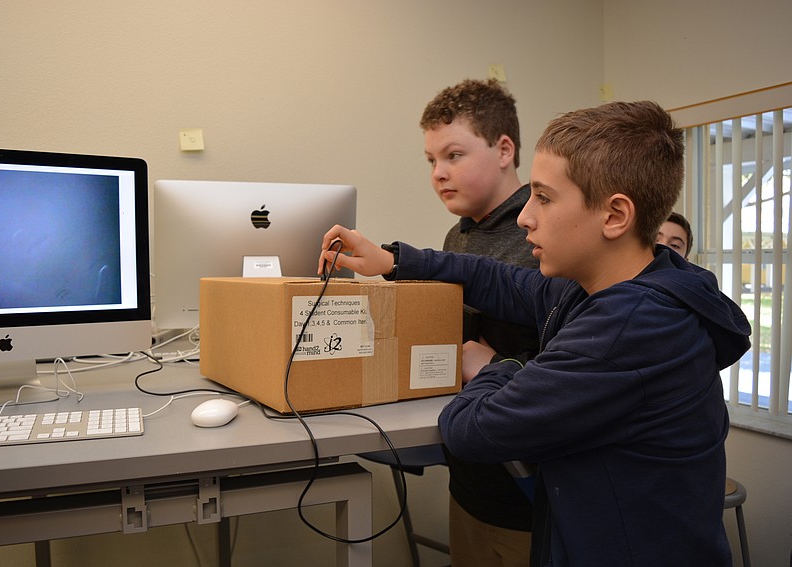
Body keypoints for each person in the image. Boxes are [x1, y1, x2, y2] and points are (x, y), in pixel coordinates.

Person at [318, 100, 752, 566]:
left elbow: (470, 430)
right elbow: (502, 280)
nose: (526, 217)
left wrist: (494, 367)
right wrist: (396, 261)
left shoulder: (629, 328)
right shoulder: (608, 286)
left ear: (614, 216)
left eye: (544, 198)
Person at [419, 78, 538, 566]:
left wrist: (495, 365)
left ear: (504, 149)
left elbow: (571, 361)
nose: (439, 174)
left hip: (527, 493)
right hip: (471, 478)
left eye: (454, 155)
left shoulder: (540, 234)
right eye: (431, 161)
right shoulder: (458, 234)